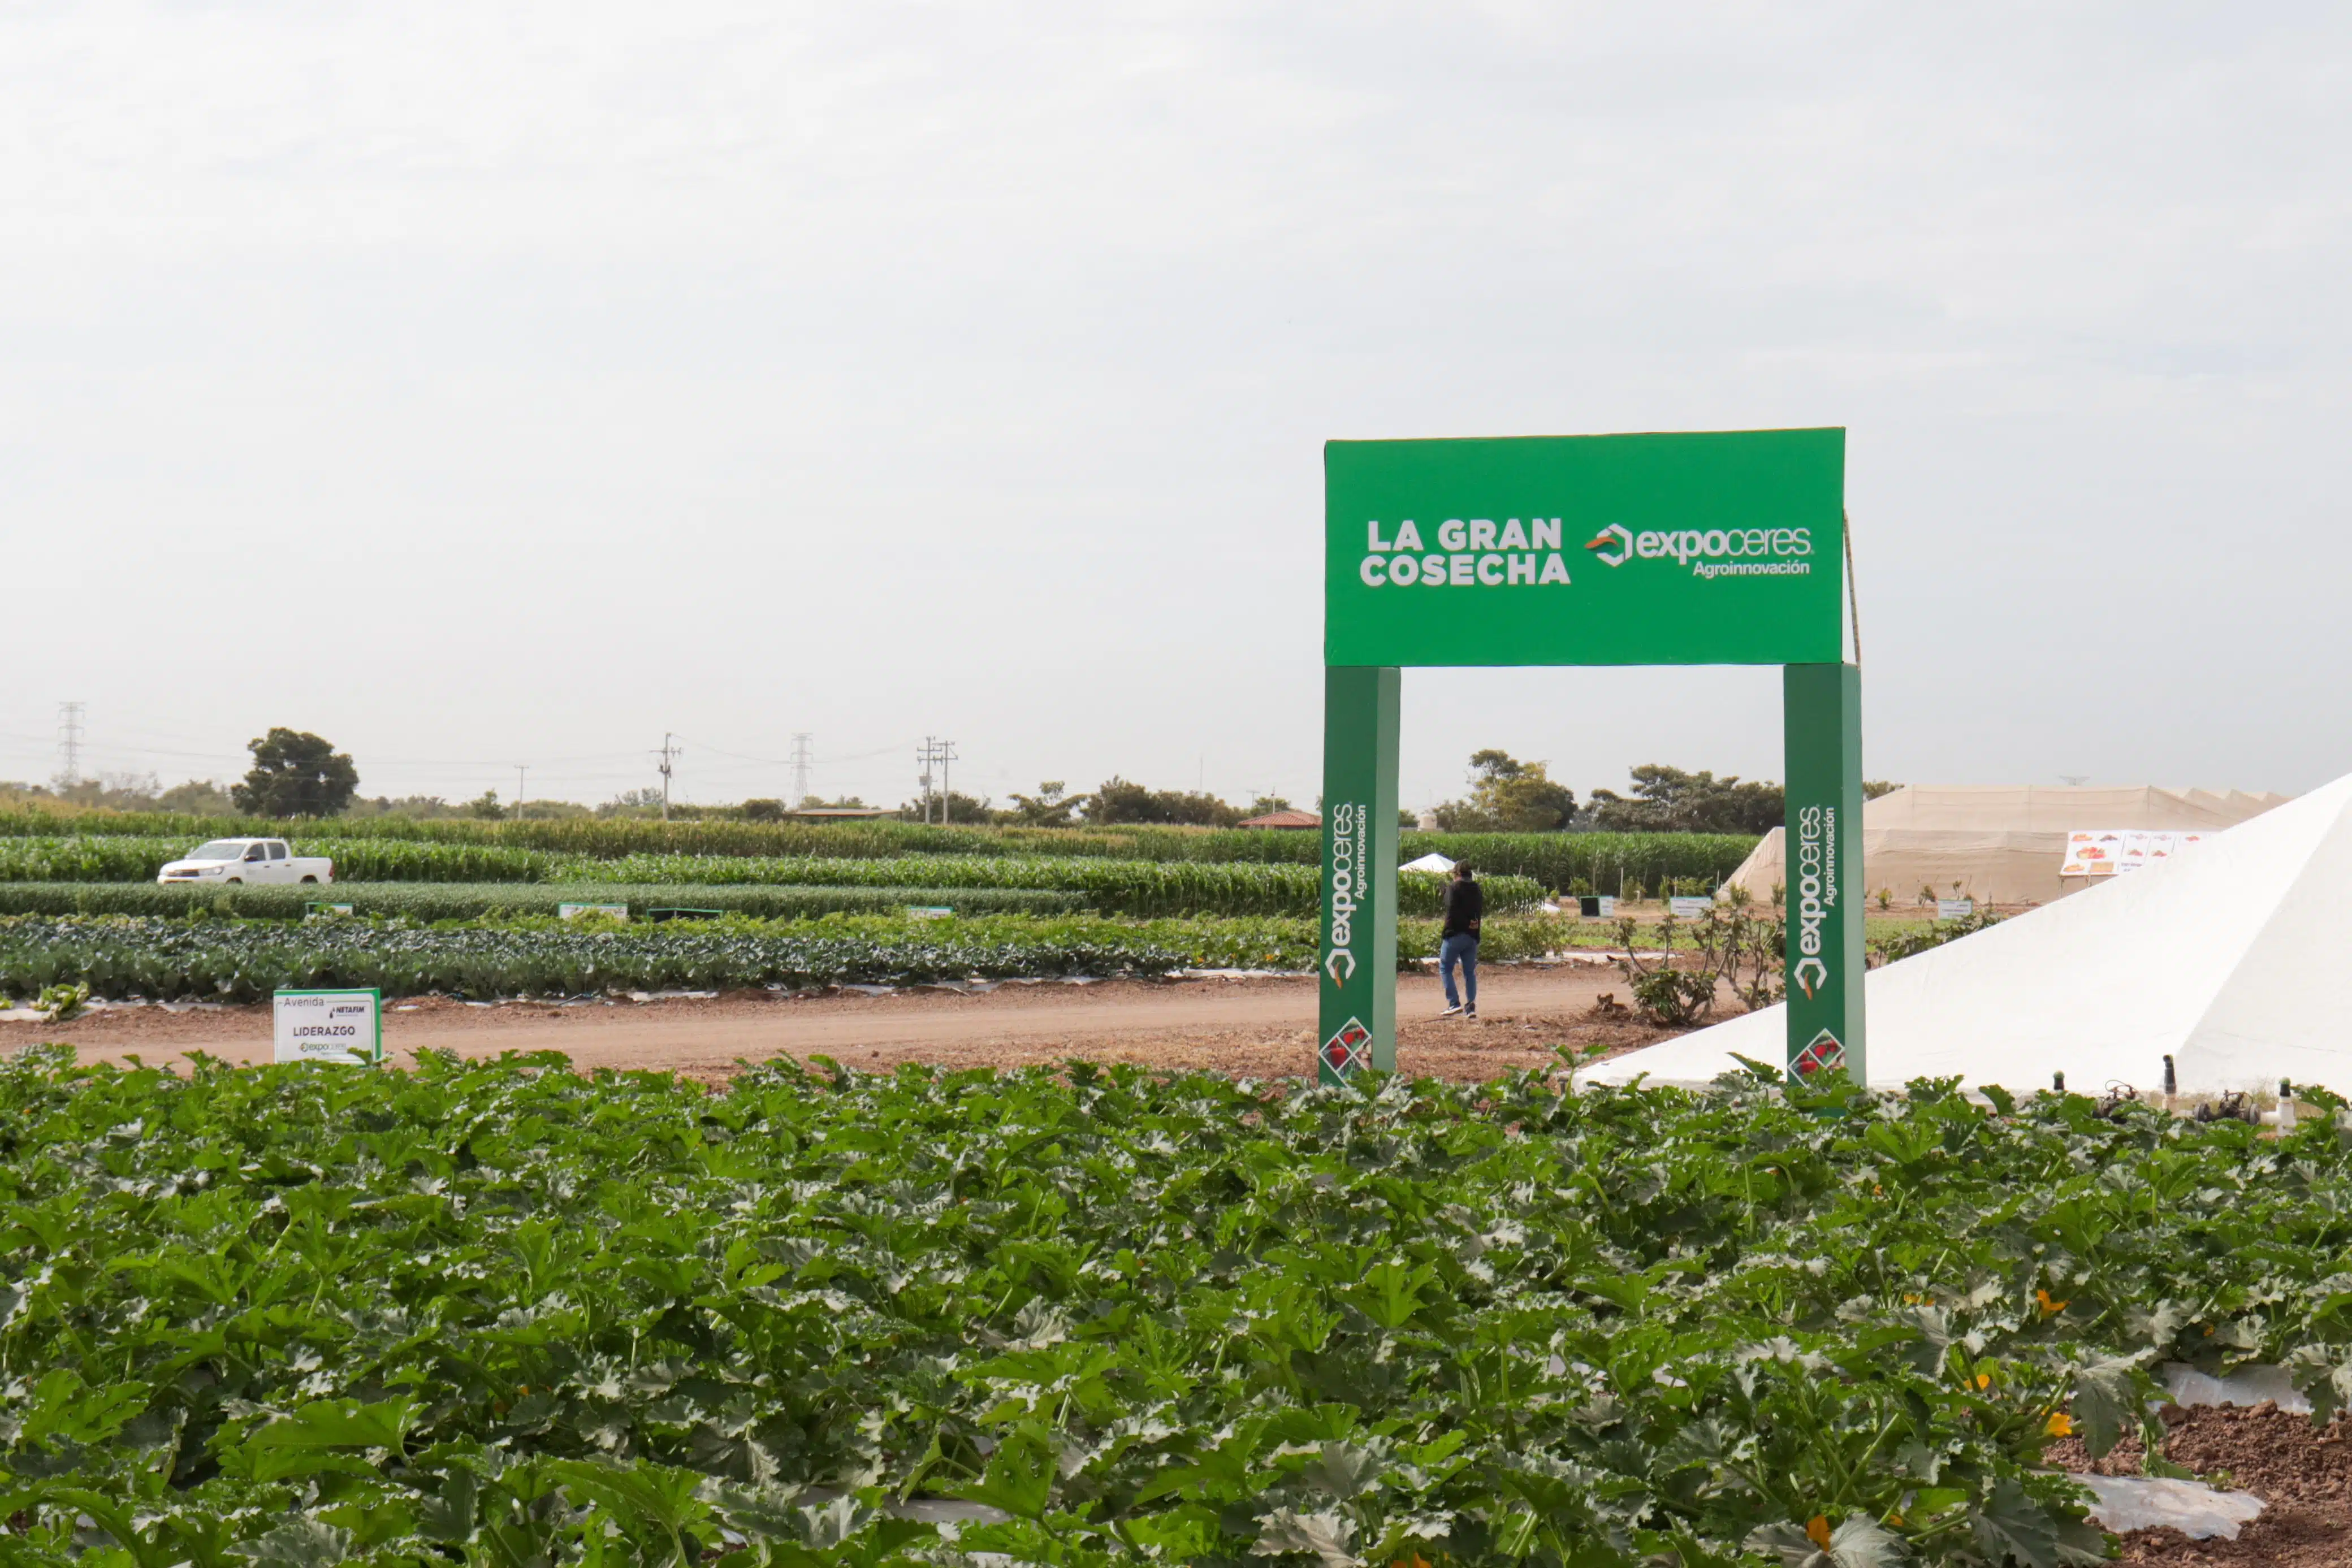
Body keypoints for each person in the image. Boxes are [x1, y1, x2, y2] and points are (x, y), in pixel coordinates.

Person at [1438, 862, 1482, 1019]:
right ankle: (1470, 1007)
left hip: (1455, 934)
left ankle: (1454, 1003)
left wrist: (1445, 893)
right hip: (1472, 935)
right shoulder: (1477, 889)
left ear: (1457, 874)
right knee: (1469, 972)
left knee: (1445, 968)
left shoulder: (1454, 888)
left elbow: (1451, 907)